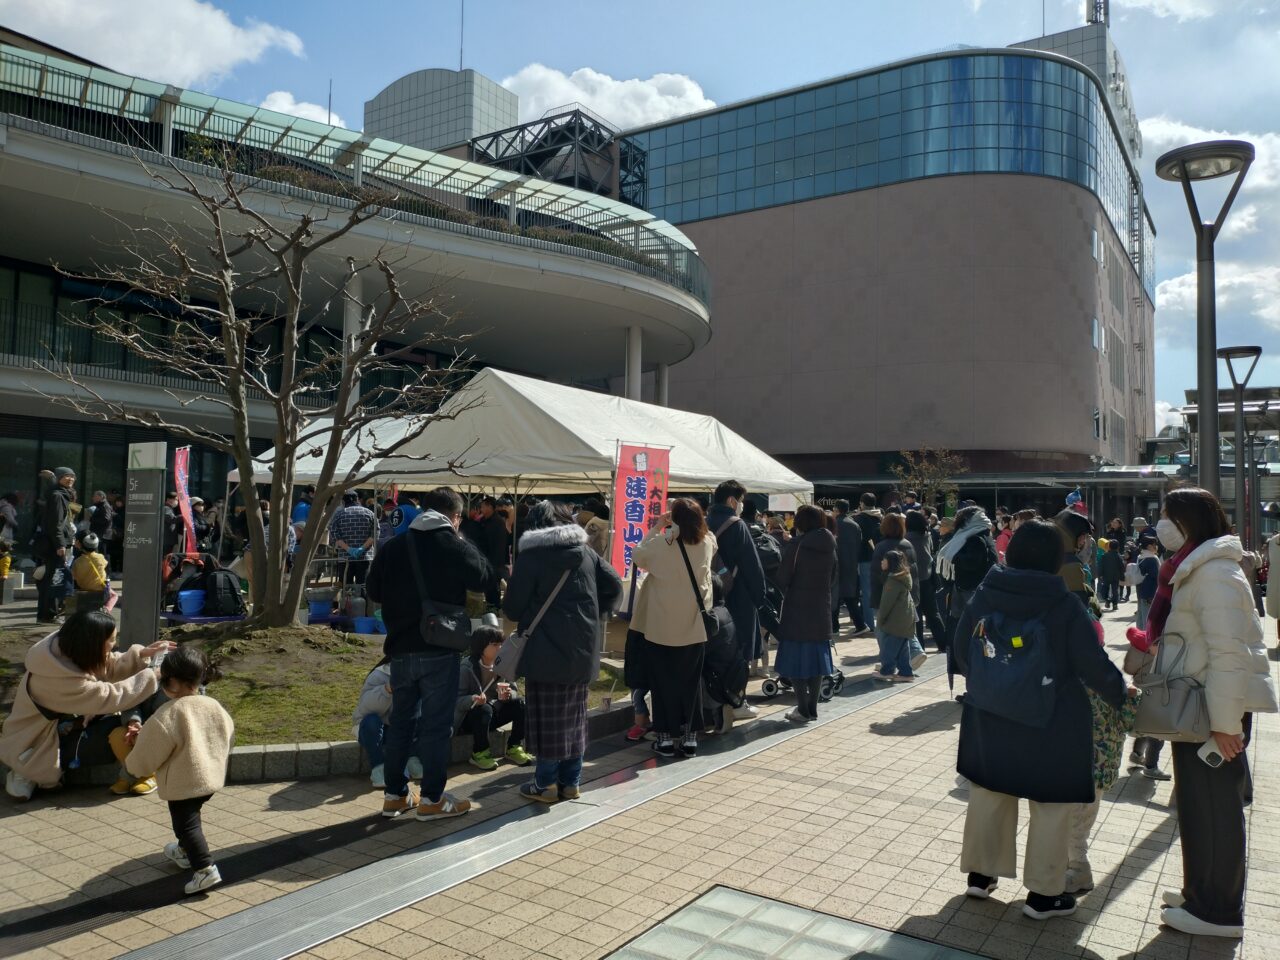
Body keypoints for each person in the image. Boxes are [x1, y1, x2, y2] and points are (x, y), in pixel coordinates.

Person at [953, 519, 1129, 921]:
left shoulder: (987, 591)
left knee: (989, 793)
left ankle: (981, 877)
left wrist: (996, 682)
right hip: (1052, 720)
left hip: (990, 714)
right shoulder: (1062, 602)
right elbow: (1092, 663)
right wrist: (1118, 693)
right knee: (1050, 806)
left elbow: (961, 648)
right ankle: (1043, 896)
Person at [1139, 489, 1277, 939]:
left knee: (1215, 809)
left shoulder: (1215, 573)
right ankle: (1199, 893)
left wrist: (1225, 724)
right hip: (1200, 706)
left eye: (1168, 517)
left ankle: (1218, 911)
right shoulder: (1197, 568)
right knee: (1199, 806)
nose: (1161, 525)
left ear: (1189, 522)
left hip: (1213, 711)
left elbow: (1229, 656)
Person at [367, 486, 493, 820]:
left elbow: (373, 590)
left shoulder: (394, 546)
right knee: (436, 727)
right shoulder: (453, 544)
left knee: (401, 724)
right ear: (455, 517)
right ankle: (432, 800)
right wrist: (461, 539)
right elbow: (484, 577)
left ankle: (395, 796)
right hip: (439, 651)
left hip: (400, 651)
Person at [505, 500, 622, 798]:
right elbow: (615, 586)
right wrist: (596, 613)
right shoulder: (586, 553)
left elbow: (514, 609)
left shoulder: (531, 556)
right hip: (582, 647)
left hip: (544, 649)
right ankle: (571, 783)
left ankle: (544, 784)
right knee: (574, 716)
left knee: (547, 718)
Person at [0, 610, 174, 800]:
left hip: (62, 727)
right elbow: (110, 697)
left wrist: (140, 655)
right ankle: (26, 769)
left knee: (117, 726)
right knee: (115, 731)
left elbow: (106, 664)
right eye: (111, 640)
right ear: (92, 644)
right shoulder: (57, 680)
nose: (114, 645)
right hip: (39, 742)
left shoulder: (62, 650)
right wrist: (153, 675)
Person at [124, 646, 234, 896]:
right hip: (210, 778)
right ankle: (184, 851)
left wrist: (133, 766)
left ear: (172, 681)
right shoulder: (212, 704)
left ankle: (204, 869)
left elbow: (147, 753)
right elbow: (226, 731)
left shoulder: (168, 714)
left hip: (183, 783)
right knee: (190, 818)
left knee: (187, 825)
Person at [630, 499, 714, 757]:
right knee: (690, 685)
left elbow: (637, 555)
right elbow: (709, 536)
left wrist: (657, 527)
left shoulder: (661, 544)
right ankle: (689, 737)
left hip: (660, 628)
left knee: (662, 684)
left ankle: (665, 738)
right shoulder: (706, 543)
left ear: (674, 518)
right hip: (693, 627)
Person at [706, 480, 768, 719]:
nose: (741, 506)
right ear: (732, 501)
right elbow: (752, 565)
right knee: (738, 651)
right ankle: (737, 702)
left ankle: (714, 703)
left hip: (713, 597)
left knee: (716, 651)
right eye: (740, 501)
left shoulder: (705, 522)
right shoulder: (736, 524)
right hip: (739, 596)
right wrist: (760, 597)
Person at [775, 504, 837, 722]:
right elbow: (833, 577)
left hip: (797, 608)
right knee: (817, 660)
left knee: (796, 660)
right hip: (821, 607)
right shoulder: (830, 544)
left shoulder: (797, 545)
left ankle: (802, 709)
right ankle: (812, 707)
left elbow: (783, 578)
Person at [455, 620, 533, 770]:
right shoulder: (466, 668)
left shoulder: (502, 665)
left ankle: (514, 747)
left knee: (521, 704)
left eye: (501, 644)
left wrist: (509, 695)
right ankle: (479, 753)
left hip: (492, 714)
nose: (500, 648)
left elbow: (514, 690)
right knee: (484, 709)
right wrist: (472, 699)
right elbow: (455, 700)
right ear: (481, 646)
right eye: (495, 644)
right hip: (470, 718)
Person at [937, 505, 1000, 656]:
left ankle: (969, 655)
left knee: (969, 626)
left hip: (970, 589)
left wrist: (954, 557)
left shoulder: (975, 538)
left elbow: (971, 563)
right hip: (970, 588)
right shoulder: (978, 535)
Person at [351, 661, 423, 789]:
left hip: (394, 730)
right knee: (372, 721)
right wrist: (386, 690)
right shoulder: (379, 674)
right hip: (370, 730)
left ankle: (412, 759)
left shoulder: (418, 675)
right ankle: (378, 768)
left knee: (417, 716)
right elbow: (366, 708)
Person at [869, 512, 924, 666]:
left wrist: (874, 598)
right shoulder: (908, 544)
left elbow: (876, 575)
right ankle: (911, 656)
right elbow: (914, 572)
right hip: (908, 593)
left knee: (883, 629)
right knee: (903, 627)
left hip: (886, 596)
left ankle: (889, 662)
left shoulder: (881, 547)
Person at [873, 550, 916, 682]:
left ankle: (886, 671)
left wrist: (880, 620)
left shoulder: (893, 581)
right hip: (905, 618)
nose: (881, 562)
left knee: (888, 649)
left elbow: (886, 604)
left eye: (884, 560)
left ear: (890, 562)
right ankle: (906, 672)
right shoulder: (902, 577)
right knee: (903, 648)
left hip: (896, 621)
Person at [905, 509, 945, 647]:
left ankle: (919, 645)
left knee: (916, 616)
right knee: (933, 613)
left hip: (913, 580)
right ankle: (942, 643)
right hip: (928, 577)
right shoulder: (927, 535)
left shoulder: (906, 539)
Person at [830, 499, 865, 633]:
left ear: (837, 510)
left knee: (835, 596)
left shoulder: (834, 524)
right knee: (849, 596)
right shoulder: (854, 524)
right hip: (852, 564)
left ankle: (834, 626)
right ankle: (860, 624)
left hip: (837, 564)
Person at [329, 492, 377, 584]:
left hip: (345, 557)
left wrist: (349, 549)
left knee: (346, 589)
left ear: (343, 501)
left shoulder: (339, 515)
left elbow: (334, 534)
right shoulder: (370, 513)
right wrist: (362, 548)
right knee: (363, 586)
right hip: (365, 556)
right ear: (357, 499)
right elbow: (375, 533)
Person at [853, 493, 883, 632]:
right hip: (879, 556)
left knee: (866, 591)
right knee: (876, 589)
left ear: (862, 503)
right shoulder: (880, 517)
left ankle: (869, 623)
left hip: (864, 557)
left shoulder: (859, 518)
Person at [478, 496, 511, 606]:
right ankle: (491, 607)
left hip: (494, 562)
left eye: (483, 506)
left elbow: (497, 546)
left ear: (489, 507)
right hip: (487, 561)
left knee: (493, 589)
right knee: (488, 589)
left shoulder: (497, 523)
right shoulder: (485, 520)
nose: (481, 509)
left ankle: (494, 609)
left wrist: (492, 564)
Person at [71, 533, 117, 612]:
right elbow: (105, 564)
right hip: (98, 588)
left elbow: (74, 575)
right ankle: (106, 609)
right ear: (96, 545)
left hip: (83, 587)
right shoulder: (100, 557)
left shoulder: (77, 561)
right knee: (114, 595)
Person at [1097, 539, 1124, 611]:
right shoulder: (1118, 556)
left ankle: (1107, 600)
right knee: (1115, 590)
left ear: (1109, 547)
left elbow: (1101, 566)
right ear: (1118, 547)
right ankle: (1115, 604)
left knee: (1105, 589)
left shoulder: (1104, 556)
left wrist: (1100, 574)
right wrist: (1122, 576)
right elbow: (1122, 567)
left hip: (1106, 576)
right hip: (1116, 576)